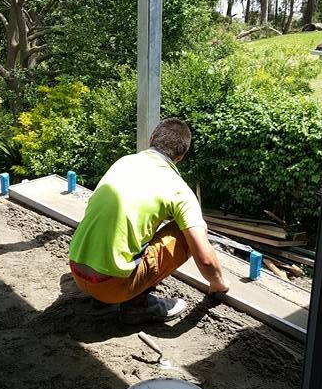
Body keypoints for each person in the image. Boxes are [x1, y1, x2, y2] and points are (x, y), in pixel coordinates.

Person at [69, 117, 230, 323]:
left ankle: (105, 293)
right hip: (111, 287)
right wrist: (218, 283)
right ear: (181, 156)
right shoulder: (178, 189)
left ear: (152, 138)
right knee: (188, 232)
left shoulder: (124, 162)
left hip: (76, 271)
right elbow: (205, 258)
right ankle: (137, 306)